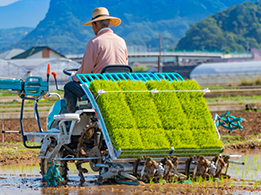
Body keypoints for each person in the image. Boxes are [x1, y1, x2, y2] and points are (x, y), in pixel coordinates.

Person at [64, 7, 128, 113]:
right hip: (117, 85)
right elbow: (124, 66)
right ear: (109, 23)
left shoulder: (94, 42)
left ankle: (72, 121)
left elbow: (85, 73)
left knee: (69, 87)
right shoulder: (122, 41)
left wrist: (73, 77)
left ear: (94, 25)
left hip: (99, 88)